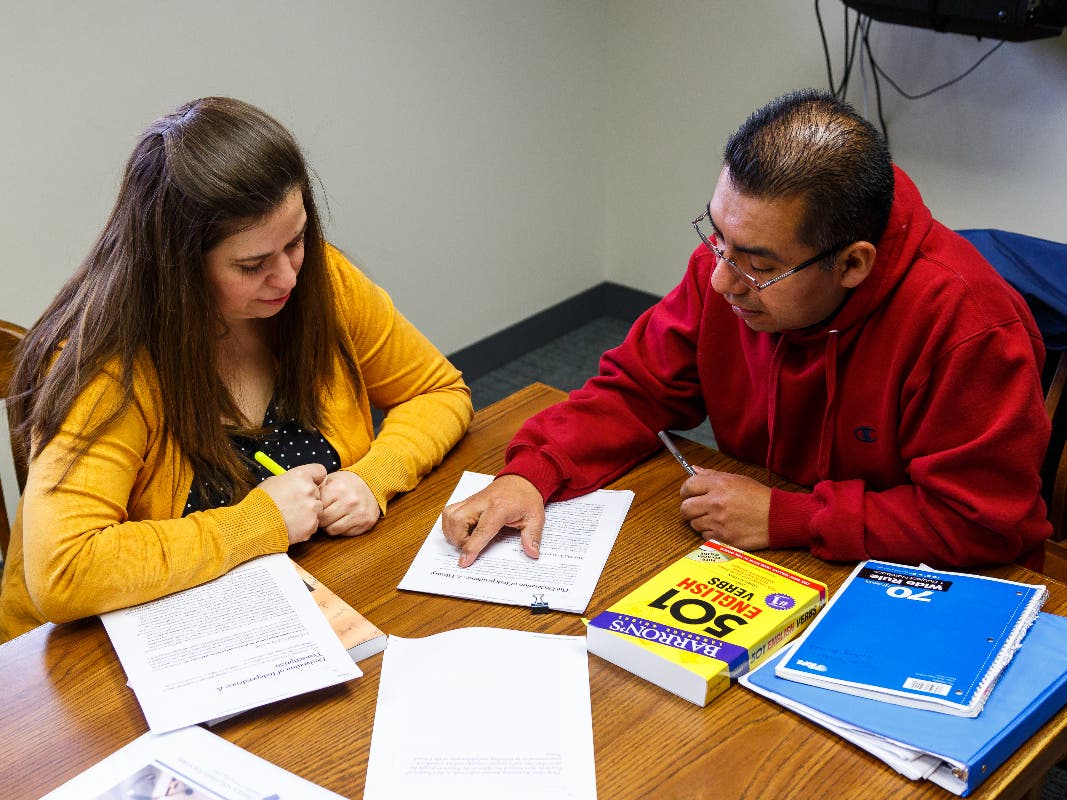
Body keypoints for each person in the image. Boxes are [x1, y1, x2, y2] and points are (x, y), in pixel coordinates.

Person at [442, 88, 1052, 571]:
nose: (720, 282)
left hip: (925, 582)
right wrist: (531, 472)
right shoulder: (727, 275)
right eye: (717, 237)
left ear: (853, 264)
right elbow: (635, 391)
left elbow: (982, 524)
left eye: (759, 265)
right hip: (773, 555)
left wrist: (789, 517)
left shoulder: (969, 325)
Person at [0, 97, 473, 641]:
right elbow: (65, 570)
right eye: (251, 266)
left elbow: (438, 391)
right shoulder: (108, 366)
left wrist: (375, 476)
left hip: (299, 603)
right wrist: (259, 523)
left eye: (295, 241)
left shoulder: (321, 281)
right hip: (105, 657)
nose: (287, 279)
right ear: (178, 268)